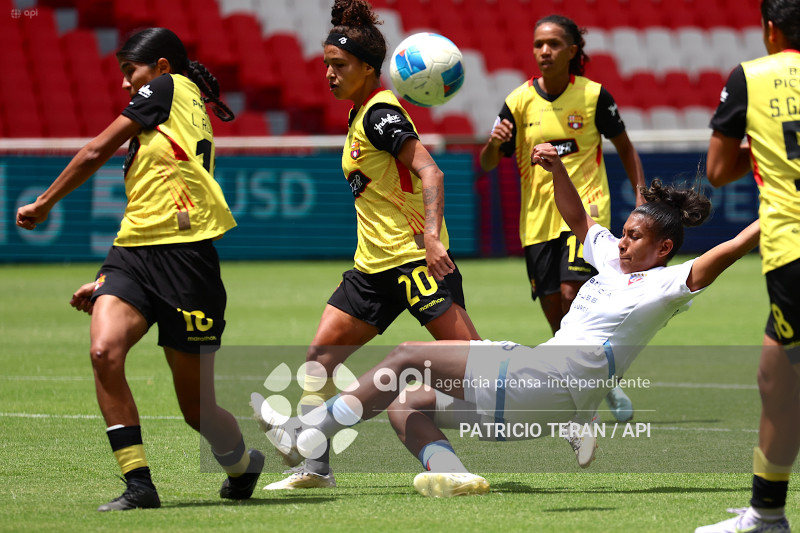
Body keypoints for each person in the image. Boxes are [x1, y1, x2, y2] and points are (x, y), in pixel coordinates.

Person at [253, 142, 760, 498]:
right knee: (405, 406)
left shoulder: (663, 286)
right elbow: (579, 219)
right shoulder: (611, 259)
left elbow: (733, 247)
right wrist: (556, 171)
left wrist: (781, 209)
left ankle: (305, 433)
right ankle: (450, 474)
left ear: (664, 248)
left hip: (544, 384)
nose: (622, 241)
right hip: (536, 395)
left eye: (634, 237)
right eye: (624, 233)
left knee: (407, 355)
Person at [15, 28, 264, 511]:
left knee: (197, 412)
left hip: (187, 261)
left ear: (163, 67)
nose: (127, 83)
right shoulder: (173, 107)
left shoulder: (168, 88)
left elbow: (94, 151)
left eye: (132, 70)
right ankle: (139, 485)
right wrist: (114, 282)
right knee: (104, 352)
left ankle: (241, 464)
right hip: (132, 254)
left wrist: (44, 203)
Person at [261, 0, 480, 491]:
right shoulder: (360, 113)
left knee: (476, 364)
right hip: (371, 269)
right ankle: (315, 466)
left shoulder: (381, 113)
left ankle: (564, 414)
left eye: (339, 66)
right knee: (319, 359)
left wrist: (429, 237)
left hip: (411, 263)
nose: (330, 75)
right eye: (326, 66)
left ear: (366, 68)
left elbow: (431, 171)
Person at [478, 14, 646, 422]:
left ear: (573, 51)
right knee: (557, 317)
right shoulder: (518, 101)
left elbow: (625, 146)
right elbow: (486, 164)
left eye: (553, 44)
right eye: (538, 44)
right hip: (536, 223)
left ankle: (583, 400)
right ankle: (595, 383)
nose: (544, 51)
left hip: (585, 215)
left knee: (573, 297)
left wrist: (641, 198)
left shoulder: (593, 96)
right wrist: (492, 143)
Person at [696, 1, 800, 531]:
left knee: (784, 380)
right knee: (773, 375)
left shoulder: (752, 77)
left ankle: (766, 516)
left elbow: (715, 170)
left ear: (771, 28)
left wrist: (759, 149)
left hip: (794, 250)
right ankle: (766, 514)